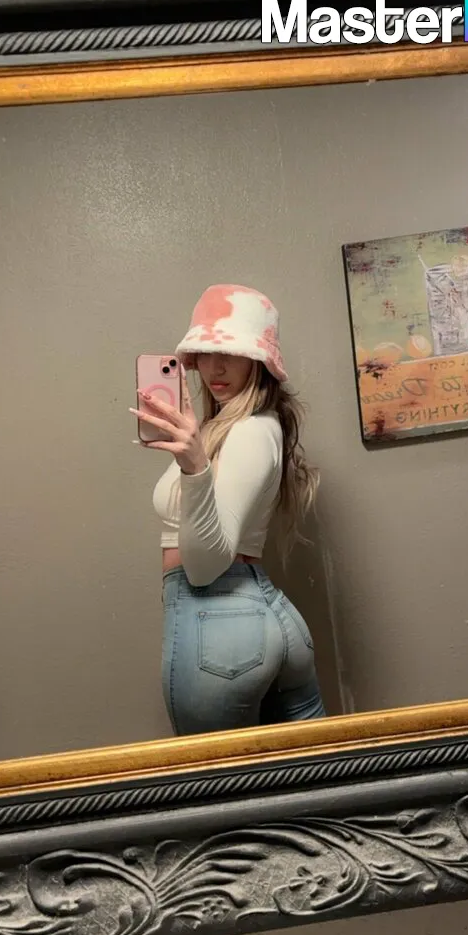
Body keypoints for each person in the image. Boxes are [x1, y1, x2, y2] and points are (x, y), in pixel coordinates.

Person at [129, 283, 326, 737]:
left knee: (220, 780)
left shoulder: (252, 430)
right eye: (206, 353)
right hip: (255, 616)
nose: (215, 368)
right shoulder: (230, 426)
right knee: (312, 771)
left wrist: (194, 467)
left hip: (217, 621)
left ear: (259, 362)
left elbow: (204, 569)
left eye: (232, 355)